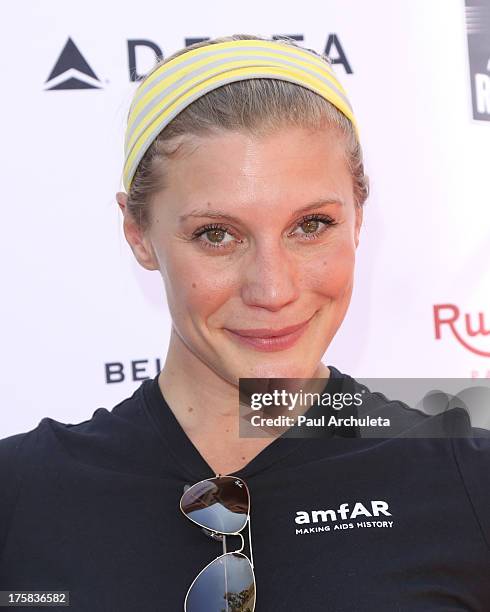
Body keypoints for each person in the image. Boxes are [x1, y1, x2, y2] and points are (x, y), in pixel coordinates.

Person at [0, 34, 489, 612]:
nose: (273, 289)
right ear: (138, 234)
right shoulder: (20, 496)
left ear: (359, 217)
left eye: (311, 225)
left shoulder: (467, 482)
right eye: (216, 234)